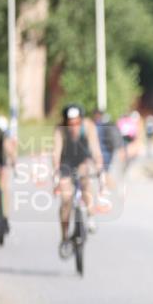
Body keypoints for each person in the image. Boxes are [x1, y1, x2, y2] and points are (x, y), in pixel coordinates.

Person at [53, 104, 104, 257]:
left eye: (77, 123)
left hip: (82, 160)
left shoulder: (88, 126)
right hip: (66, 161)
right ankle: (64, 237)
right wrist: (56, 175)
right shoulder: (60, 129)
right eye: (71, 123)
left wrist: (99, 167)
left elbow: (95, 149)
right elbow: (56, 152)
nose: (74, 126)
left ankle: (90, 215)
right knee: (66, 199)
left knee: (86, 181)